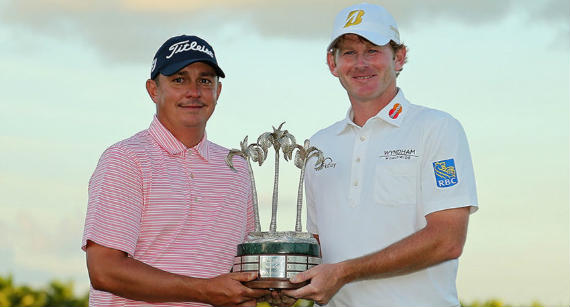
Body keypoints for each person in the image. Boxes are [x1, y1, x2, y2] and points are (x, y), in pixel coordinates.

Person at [283, 3, 478, 307]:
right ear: (332, 64)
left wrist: (344, 273)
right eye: (348, 52)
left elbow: (447, 240)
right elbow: (319, 246)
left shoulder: (437, 129)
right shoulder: (319, 146)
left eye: (372, 50)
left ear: (399, 57)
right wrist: (284, 283)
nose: (361, 63)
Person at [81, 35, 268, 307]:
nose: (194, 92)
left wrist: (273, 289)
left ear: (218, 91)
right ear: (153, 90)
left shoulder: (237, 166)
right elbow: (104, 271)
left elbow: (239, 276)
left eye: (205, 80)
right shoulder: (126, 159)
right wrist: (204, 290)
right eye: (179, 79)